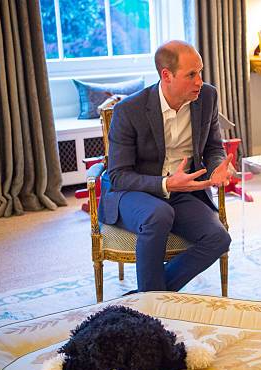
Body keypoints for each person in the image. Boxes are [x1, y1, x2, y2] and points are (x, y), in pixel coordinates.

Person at [99, 40, 233, 294]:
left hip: (182, 193)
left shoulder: (207, 96)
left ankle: (148, 297)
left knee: (219, 238)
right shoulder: (129, 110)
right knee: (159, 213)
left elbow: (213, 147)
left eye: (201, 72)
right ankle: (152, 303)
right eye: (191, 74)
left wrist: (217, 167)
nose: (199, 81)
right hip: (133, 193)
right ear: (166, 75)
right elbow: (117, 176)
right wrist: (165, 184)